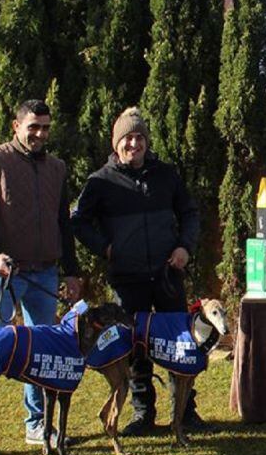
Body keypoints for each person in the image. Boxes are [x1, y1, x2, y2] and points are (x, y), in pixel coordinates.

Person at [71, 107, 207, 436]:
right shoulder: (100, 182)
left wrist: (184, 248)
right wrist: (106, 248)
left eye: (139, 137)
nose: (134, 143)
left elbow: (189, 213)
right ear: (117, 143)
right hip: (127, 278)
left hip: (167, 274)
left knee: (180, 343)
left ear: (146, 141)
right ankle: (142, 413)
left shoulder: (167, 175)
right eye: (127, 138)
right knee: (135, 346)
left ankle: (185, 412)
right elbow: (78, 221)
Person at [0, 99, 82, 455]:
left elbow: (64, 224)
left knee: (42, 355)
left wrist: (72, 270)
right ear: (16, 126)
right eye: (33, 126)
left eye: (45, 127)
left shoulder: (57, 168)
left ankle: (37, 424)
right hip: (5, 272)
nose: (40, 134)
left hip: (45, 271)